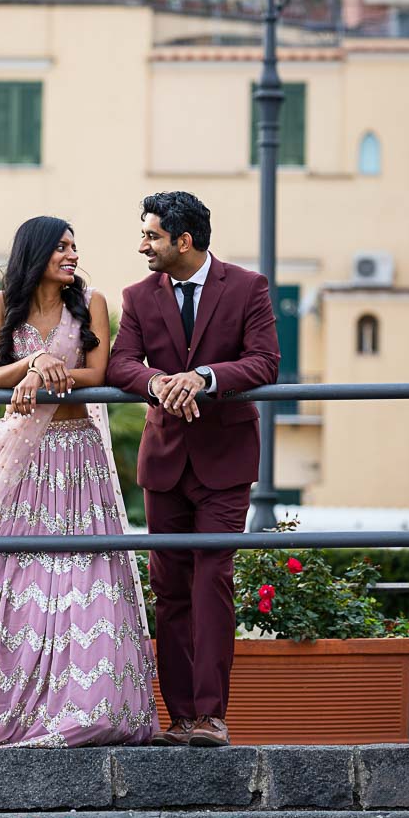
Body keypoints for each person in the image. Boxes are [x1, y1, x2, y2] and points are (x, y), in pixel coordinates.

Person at [0, 216, 157, 748]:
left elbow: (98, 375)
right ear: (37, 252)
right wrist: (35, 361)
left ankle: (86, 706)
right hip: (21, 459)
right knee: (6, 573)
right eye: (62, 247)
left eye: (75, 247)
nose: (72, 255)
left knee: (82, 575)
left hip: (78, 458)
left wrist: (50, 375)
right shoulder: (0, 306)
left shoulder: (90, 303)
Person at [107, 192, 279, 748]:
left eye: (151, 236)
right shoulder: (137, 296)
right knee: (169, 586)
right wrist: (158, 383)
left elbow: (265, 360)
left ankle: (211, 716)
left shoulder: (248, 288)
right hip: (164, 461)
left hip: (226, 460)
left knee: (213, 579)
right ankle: (178, 718)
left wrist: (203, 377)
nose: (142, 245)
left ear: (184, 240)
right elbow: (120, 363)